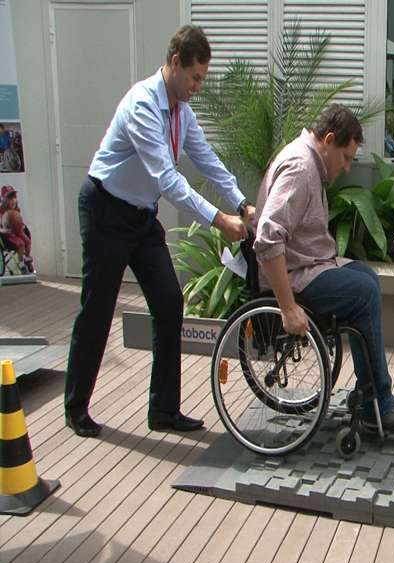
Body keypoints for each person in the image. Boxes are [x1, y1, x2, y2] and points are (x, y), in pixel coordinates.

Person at [64, 25, 255, 438]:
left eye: (202, 78)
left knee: (169, 303)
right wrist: (219, 220)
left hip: (140, 216)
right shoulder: (142, 105)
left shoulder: (182, 114)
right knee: (98, 309)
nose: (198, 87)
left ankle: (164, 411)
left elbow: (208, 161)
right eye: (195, 77)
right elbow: (168, 180)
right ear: (174, 64)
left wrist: (241, 203)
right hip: (105, 209)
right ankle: (76, 406)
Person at [253, 104, 394, 432]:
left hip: (307, 263)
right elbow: (268, 238)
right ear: (328, 140)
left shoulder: (307, 162)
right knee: (364, 291)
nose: (346, 168)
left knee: (366, 277)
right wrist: (287, 308)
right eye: (345, 157)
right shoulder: (301, 168)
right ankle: (379, 402)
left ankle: (368, 394)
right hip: (292, 275)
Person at [0, 185, 33, 273]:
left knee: (27, 241)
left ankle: (27, 259)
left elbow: (18, 223)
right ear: (4, 200)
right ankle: (21, 264)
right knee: (21, 243)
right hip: (7, 235)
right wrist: (4, 230)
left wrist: (21, 226)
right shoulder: (1, 211)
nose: (13, 200)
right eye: (10, 198)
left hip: (17, 232)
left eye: (14, 197)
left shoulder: (16, 210)